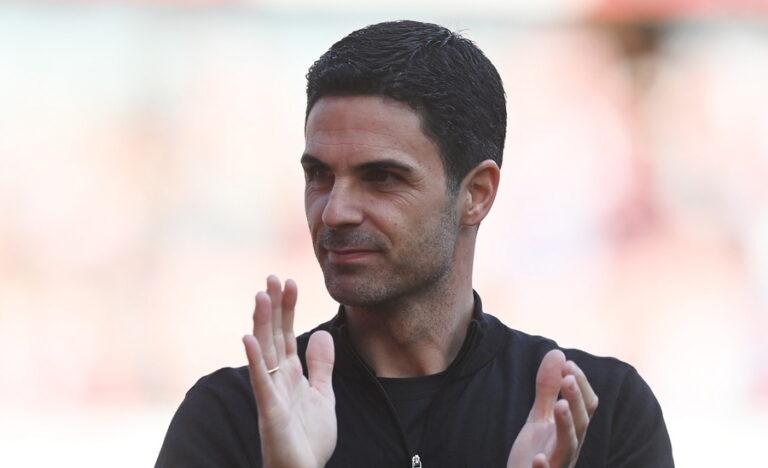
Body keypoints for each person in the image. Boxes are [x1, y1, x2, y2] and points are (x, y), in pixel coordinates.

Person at [156, 20, 673, 468]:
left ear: (476, 194)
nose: (334, 211)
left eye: (381, 177)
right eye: (318, 175)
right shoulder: (231, 416)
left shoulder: (600, 413)